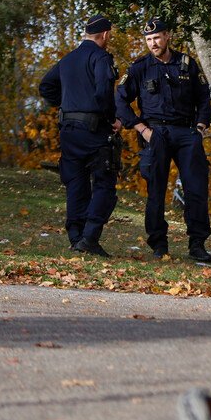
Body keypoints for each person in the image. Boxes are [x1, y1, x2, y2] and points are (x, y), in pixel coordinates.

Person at [115, 16, 211, 263]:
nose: (153, 43)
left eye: (157, 37)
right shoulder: (139, 68)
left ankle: (198, 244)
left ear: (168, 36)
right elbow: (119, 100)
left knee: (196, 190)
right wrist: (140, 128)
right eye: (148, 39)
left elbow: (204, 97)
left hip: (186, 133)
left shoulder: (187, 64)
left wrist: (201, 127)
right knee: (156, 191)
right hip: (155, 133)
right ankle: (159, 244)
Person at [38, 14, 122, 257]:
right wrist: (111, 120)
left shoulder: (68, 59)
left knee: (76, 183)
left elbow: (46, 86)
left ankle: (75, 237)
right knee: (105, 183)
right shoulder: (100, 57)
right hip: (95, 131)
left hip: (69, 131)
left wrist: (66, 105)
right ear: (105, 35)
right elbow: (104, 92)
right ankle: (90, 237)